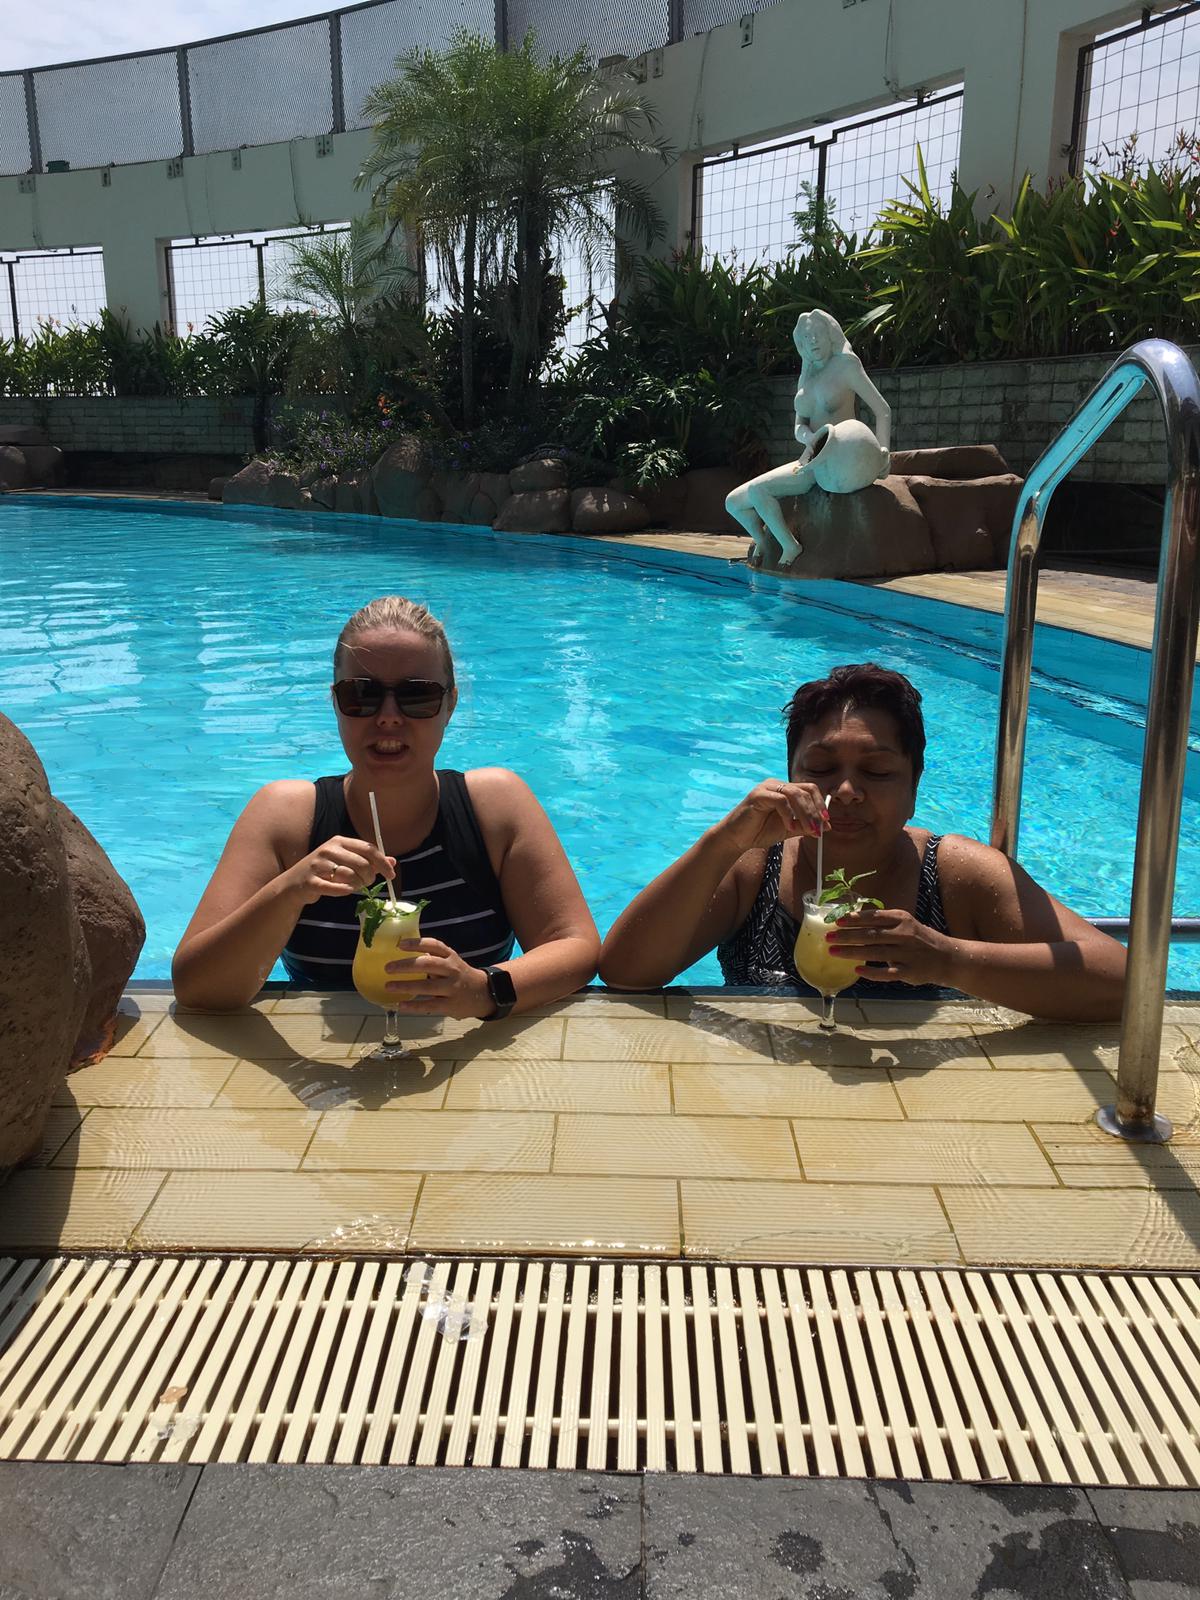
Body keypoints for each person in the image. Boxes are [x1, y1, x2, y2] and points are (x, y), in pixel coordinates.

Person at [599, 663, 1127, 1022]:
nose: (847, 792)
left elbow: (1122, 981)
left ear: (913, 787)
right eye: (821, 768)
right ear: (789, 775)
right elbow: (626, 974)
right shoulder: (753, 866)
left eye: (876, 772)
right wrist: (720, 844)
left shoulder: (956, 874)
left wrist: (947, 959)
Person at [174, 595, 599, 1015]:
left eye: (417, 696)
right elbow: (197, 989)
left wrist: (483, 990)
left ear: (450, 704)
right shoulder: (286, 818)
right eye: (362, 694)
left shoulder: (493, 807)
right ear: (336, 703)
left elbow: (575, 946)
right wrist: (289, 892)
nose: (389, 717)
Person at [725, 308, 892, 570]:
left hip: (838, 460)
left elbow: (883, 410)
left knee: (758, 491)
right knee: (733, 502)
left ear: (830, 335)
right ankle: (764, 541)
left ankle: (789, 546)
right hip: (810, 459)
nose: (812, 340)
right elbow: (799, 426)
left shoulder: (846, 366)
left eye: (817, 334)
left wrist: (883, 451)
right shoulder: (806, 375)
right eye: (806, 337)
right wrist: (810, 437)